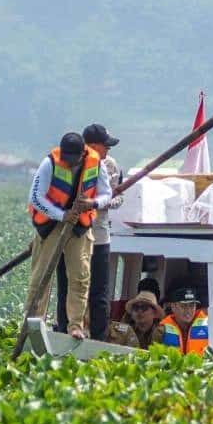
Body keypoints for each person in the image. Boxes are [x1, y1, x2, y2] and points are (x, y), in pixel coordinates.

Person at [24, 131, 112, 340]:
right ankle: (33, 322)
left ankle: (75, 326)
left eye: (73, 161)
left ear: (82, 154)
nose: (70, 164)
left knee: (80, 276)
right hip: (51, 223)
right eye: (67, 160)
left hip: (79, 226)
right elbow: (36, 198)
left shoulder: (96, 164)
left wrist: (92, 203)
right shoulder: (49, 164)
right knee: (41, 276)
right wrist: (62, 215)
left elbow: (106, 194)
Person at [55, 124, 122, 340]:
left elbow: (114, 198)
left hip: (99, 236)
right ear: (92, 146)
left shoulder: (111, 166)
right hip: (70, 235)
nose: (108, 151)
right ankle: (66, 330)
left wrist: (93, 203)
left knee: (98, 293)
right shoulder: (66, 163)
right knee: (68, 286)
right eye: (105, 146)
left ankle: (99, 338)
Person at [158, 287, 213, 356]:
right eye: (184, 306)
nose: (188, 310)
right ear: (173, 307)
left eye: (192, 306)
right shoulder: (161, 331)